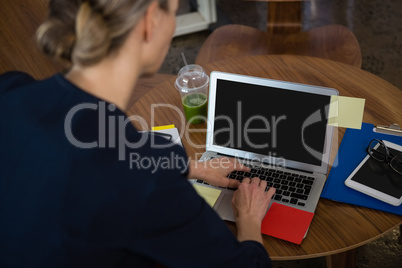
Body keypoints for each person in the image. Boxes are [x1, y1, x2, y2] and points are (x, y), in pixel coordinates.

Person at [0, 0, 276, 267]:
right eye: (174, 10)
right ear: (150, 20)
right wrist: (249, 218)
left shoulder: (12, 89)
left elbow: (82, 153)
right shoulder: (145, 185)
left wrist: (193, 167)